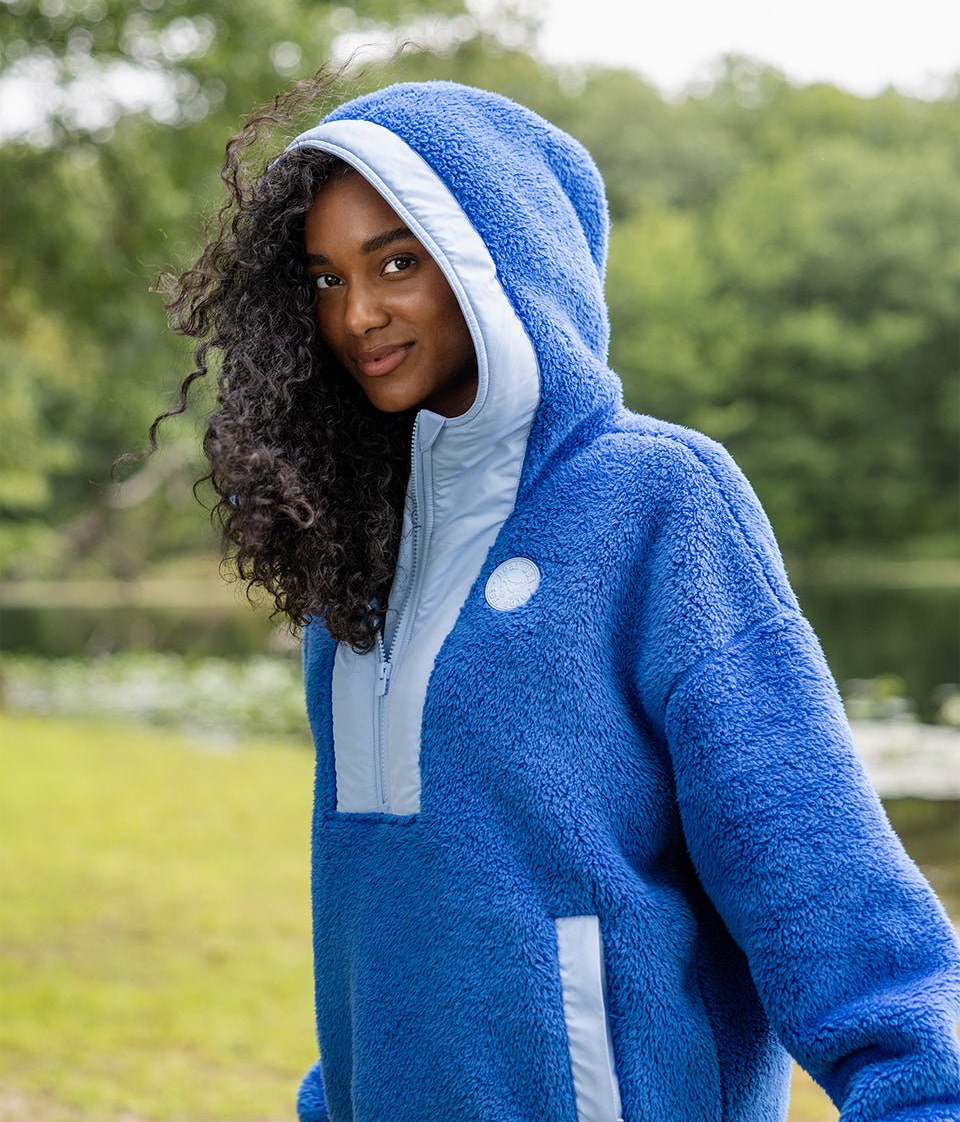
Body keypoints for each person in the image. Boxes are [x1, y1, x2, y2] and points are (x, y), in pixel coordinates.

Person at [156, 77, 960, 1122]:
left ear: (500, 259)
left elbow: (819, 875)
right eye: (324, 280)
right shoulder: (350, 547)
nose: (357, 315)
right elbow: (381, 909)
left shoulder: (658, 498)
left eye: (399, 260)